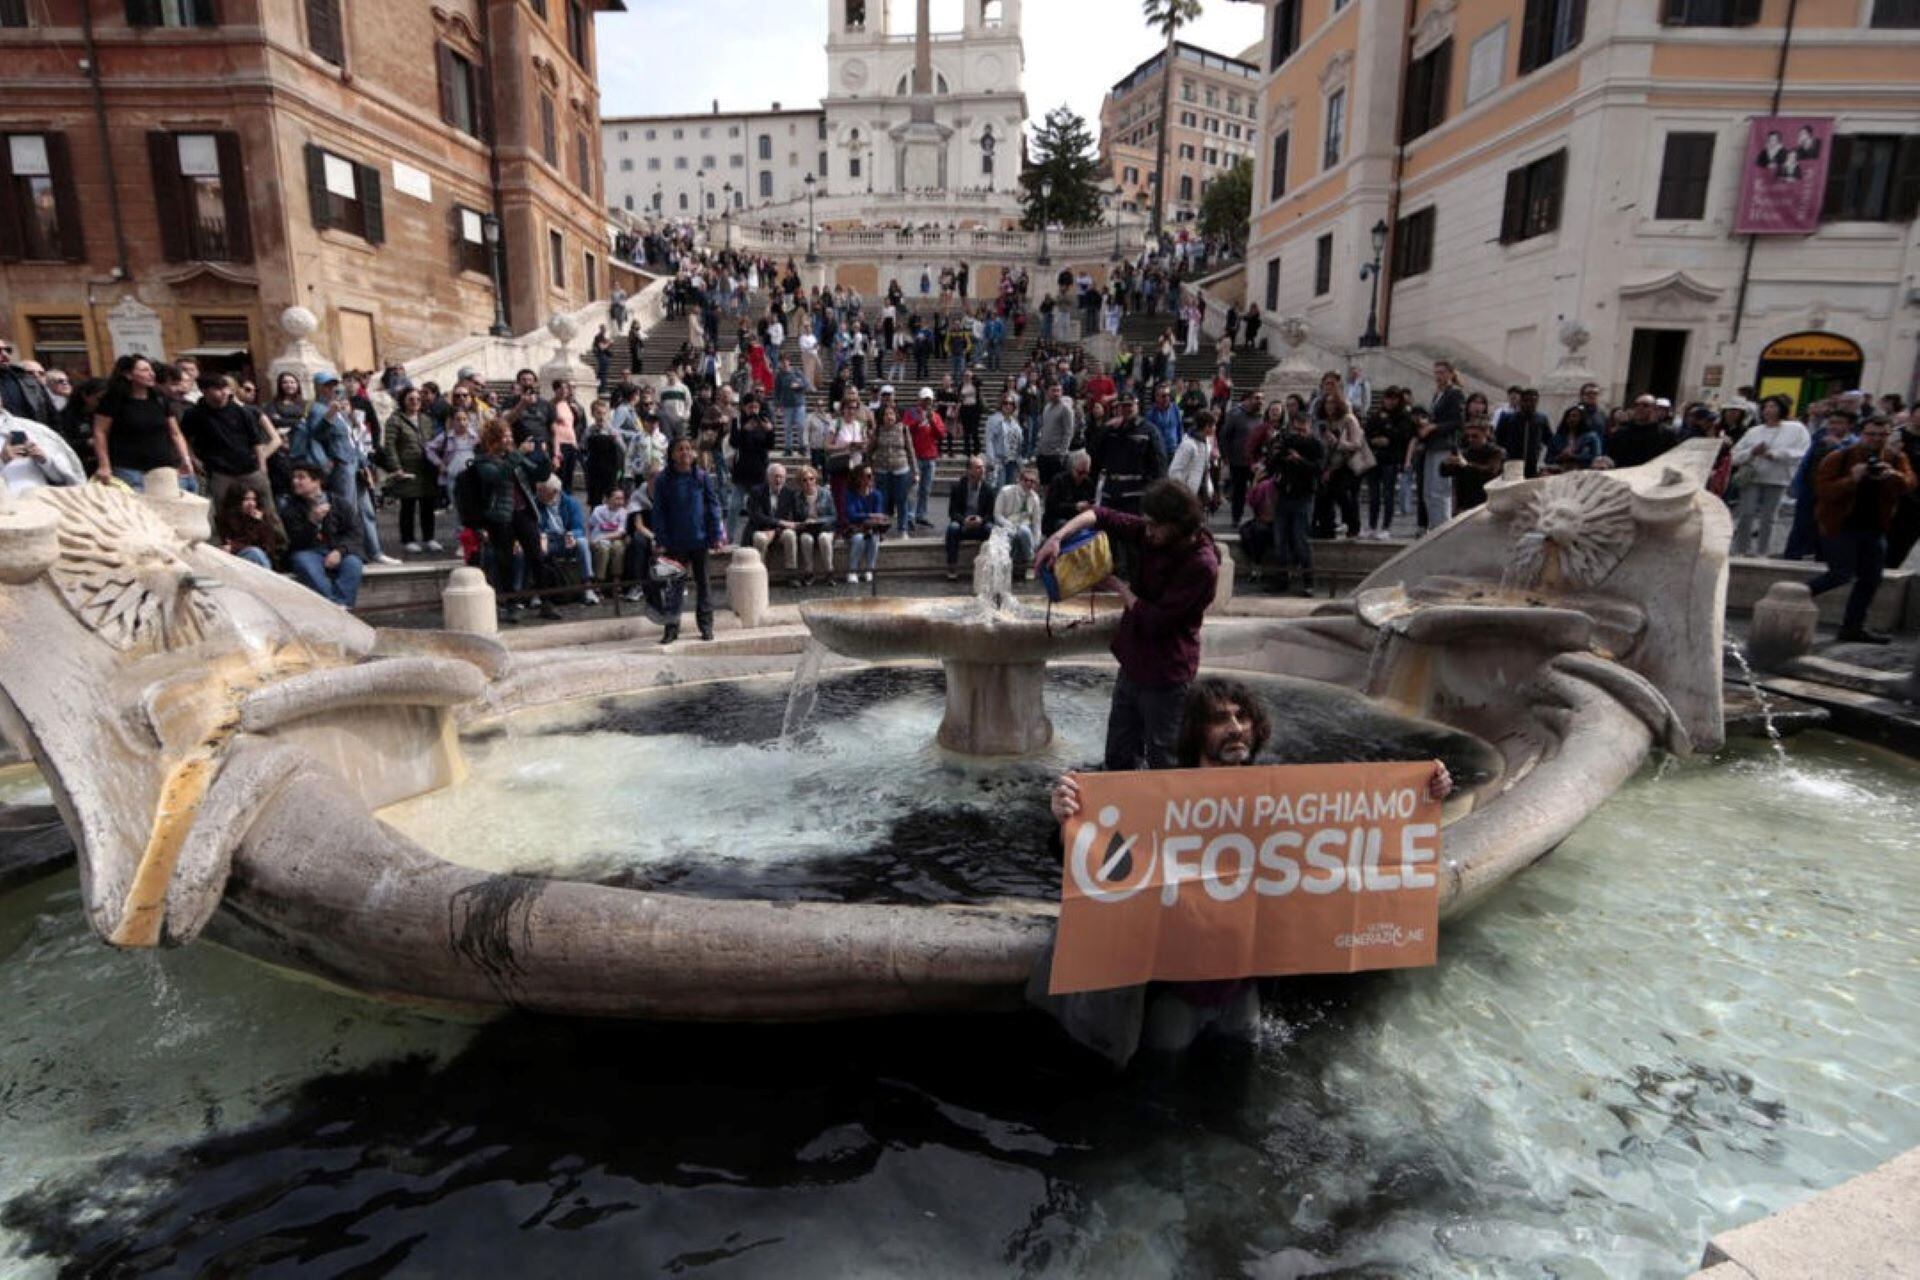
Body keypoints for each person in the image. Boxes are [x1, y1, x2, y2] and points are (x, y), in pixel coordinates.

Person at [1047, 677, 1454, 1056]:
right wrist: (1067, 817)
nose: (1237, 727)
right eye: (1221, 719)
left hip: (1241, 995)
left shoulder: (1279, 800)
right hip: (1176, 998)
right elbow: (1092, 860)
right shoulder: (1161, 799)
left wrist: (1427, 793)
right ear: (1195, 732)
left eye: (1242, 717)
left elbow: (1362, 835)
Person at [1035, 480, 1218, 771]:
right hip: (1133, 662)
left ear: (1177, 524)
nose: (1148, 532)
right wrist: (1057, 538)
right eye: (1146, 524)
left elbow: (1157, 620)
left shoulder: (1201, 565)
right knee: (1119, 754)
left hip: (1167, 673)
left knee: (1164, 758)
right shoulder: (1153, 533)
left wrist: (1117, 586)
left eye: (1155, 526)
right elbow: (1101, 515)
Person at [1807, 415, 1915, 644]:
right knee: (1841, 573)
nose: (1876, 439)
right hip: (1840, 526)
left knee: (1871, 579)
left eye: (1882, 435)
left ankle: (1853, 627)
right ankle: (1791, 595)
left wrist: (1893, 476)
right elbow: (1823, 491)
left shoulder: (1895, 458)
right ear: (1861, 434)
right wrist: (1851, 479)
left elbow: (1909, 484)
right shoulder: (1840, 457)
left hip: (1875, 528)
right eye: (1870, 434)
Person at [472, 419, 561, 623]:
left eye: (510, 436)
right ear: (493, 439)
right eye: (505, 436)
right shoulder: (482, 460)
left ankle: (546, 602)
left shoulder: (514, 456)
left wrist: (543, 455)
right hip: (500, 517)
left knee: (537, 557)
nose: (509, 440)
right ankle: (512, 605)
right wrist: (518, 452)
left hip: (523, 513)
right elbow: (500, 475)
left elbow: (539, 474)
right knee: (506, 562)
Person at [180, 373, 278, 540]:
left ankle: (277, 546)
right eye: (217, 389)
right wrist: (192, 459)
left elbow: (256, 441)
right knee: (225, 512)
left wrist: (262, 466)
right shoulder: (194, 414)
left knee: (267, 510)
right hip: (220, 472)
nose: (223, 393)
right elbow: (184, 438)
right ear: (205, 391)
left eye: (224, 388)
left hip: (249, 468)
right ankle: (230, 544)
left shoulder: (241, 412)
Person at [650, 434, 726, 642]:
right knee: (674, 587)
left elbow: (713, 507)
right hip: (675, 542)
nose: (684, 452)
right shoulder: (663, 480)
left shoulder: (701, 477)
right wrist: (661, 539)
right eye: (680, 449)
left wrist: (716, 535)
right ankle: (671, 629)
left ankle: (706, 626)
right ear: (672, 454)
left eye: (688, 449)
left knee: (704, 585)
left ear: (693, 453)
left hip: (700, 540)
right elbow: (658, 512)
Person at [92, 355, 196, 491]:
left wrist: (185, 458)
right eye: (144, 370)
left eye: (151, 370)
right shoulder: (113, 399)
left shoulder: (159, 398)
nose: (151, 374)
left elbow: (175, 433)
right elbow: (100, 432)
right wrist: (104, 464)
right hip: (128, 468)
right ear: (128, 374)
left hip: (162, 467)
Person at [1729, 395, 1810, 558]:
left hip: (1778, 477)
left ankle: (1762, 550)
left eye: (1773, 406)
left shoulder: (1796, 429)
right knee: (1747, 512)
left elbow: (1802, 451)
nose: (1769, 410)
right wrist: (1752, 452)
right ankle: (1741, 548)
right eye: (1766, 407)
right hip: (1752, 476)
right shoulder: (1754, 431)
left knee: (1769, 516)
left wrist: (1775, 455)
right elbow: (1735, 454)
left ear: (1781, 408)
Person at [280, 464, 363, 606]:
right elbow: (293, 542)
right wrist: (312, 522)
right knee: (303, 563)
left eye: (301, 477)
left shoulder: (339, 503)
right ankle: (333, 606)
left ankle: (343, 605)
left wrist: (340, 551)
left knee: (353, 563)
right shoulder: (290, 508)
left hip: (336, 549)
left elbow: (355, 532)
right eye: (294, 478)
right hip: (309, 551)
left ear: (317, 481)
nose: (295, 481)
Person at [1784, 406, 1857, 560]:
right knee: (1800, 526)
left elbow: (1852, 464)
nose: (1833, 426)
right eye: (1831, 422)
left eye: (1839, 423)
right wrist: (1796, 484)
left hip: (1833, 492)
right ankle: (1792, 556)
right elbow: (1807, 461)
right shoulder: (1819, 438)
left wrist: (1837, 446)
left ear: (1849, 425)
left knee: (1825, 528)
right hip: (1810, 488)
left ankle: (1822, 558)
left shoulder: (1854, 443)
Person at [383, 387, 440, 553]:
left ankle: (429, 538)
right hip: (407, 469)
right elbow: (390, 446)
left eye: (417, 399)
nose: (415, 401)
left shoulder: (426, 419)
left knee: (428, 505)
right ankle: (408, 539)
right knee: (408, 505)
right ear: (403, 400)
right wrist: (396, 467)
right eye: (411, 399)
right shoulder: (395, 420)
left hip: (427, 468)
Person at [1418, 361, 1464, 529]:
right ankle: (1433, 526)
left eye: (1442, 372)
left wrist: (1433, 426)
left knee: (1440, 490)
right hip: (1432, 445)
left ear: (1451, 374)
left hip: (1445, 445)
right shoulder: (1438, 394)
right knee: (1428, 491)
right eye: (1436, 373)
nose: (1438, 376)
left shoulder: (1455, 393)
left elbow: (1458, 421)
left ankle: (1442, 527)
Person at [779, 465, 839, 586]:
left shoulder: (825, 494)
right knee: (805, 539)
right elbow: (796, 518)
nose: (809, 482)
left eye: (811, 479)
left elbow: (833, 516)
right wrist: (804, 522)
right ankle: (809, 572)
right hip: (807, 529)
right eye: (804, 480)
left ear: (815, 479)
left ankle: (829, 572)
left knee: (824, 538)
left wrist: (819, 520)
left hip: (825, 528)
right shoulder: (797, 497)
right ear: (800, 482)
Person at [944, 454, 998, 581]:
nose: (982, 470)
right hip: (963, 525)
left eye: (983, 467)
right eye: (978, 467)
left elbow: (991, 514)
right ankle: (952, 566)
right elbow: (952, 512)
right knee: (952, 528)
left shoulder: (989, 489)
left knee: (991, 529)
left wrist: (981, 520)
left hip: (981, 526)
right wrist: (964, 521)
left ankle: (989, 566)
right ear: (969, 470)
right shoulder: (958, 487)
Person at [0, 412, 82, 496]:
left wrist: (43, 460)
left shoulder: (31, 429)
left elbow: (61, 478)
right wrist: (2, 460)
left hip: (39, 501)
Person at [1440, 418, 1506, 513]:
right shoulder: (1466, 453)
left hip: (1487, 503)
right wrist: (1447, 463)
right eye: (1468, 436)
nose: (1470, 439)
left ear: (1485, 434)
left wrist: (1467, 466)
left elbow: (1491, 472)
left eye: (1475, 436)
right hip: (1465, 504)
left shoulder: (1496, 452)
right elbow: (1445, 472)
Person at [841, 463, 890, 585]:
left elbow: (879, 515)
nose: (871, 478)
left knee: (873, 537)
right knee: (859, 538)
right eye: (868, 475)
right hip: (854, 529)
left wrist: (869, 518)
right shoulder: (850, 494)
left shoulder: (876, 494)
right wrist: (870, 516)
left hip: (871, 528)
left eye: (872, 475)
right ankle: (852, 571)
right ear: (858, 478)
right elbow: (851, 515)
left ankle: (869, 569)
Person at [993, 464, 1045, 580]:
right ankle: (1007, 569)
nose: (1029, 484)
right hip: (1006, 524)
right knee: (1011, 536)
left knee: (1024, 531)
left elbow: (1036, 522)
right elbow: (997, 515)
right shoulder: (1005, 492)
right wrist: (1010, 526)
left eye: (1032, 481)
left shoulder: (1035, 498)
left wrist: (1036, 542)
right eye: (1026, 480)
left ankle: (1030, 561)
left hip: (1024, 528)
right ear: (1020, 480)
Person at [215, 484, 281, 570]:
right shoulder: (226, 519)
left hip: (260, 559)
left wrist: (259, 523)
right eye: (246, 499)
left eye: (253, 499)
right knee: (254, 552)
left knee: (256, 553)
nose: (251, 503)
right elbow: (227, 545)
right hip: (234, 559)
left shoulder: (260, 519)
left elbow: (268, 547)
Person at [1044, 449, 1097, 538]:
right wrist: (1074, 507)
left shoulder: (1088, 483)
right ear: (1073, 469)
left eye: (1086, 473)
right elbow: (1051, 507)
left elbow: (1092, 501)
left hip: (1079, 519)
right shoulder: (1059, 481)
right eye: (1080, 473)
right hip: (1058, 519)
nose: (1083, 476)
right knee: (1065, 526)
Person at [1168, 410, 1216, 504]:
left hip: (1199, 494)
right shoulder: (1188, 445)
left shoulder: (1206, 442)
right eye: (1213, 425)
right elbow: (1174, 471)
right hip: (1187, 496)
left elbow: (1204, 470)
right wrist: (1184, 492)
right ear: (1207, 426)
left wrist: (1209, 490)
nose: (1215, 428)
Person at [586, 487, 630, 588]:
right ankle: (598, 581)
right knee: (603, 549)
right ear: (608, 499)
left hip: (614, 539)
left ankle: (616, 579)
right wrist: (588, 539)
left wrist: (603, 537)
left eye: (622, 499)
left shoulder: (623, 513)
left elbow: (620, 533)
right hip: (597, 539)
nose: (620, 502)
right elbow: (589, 525)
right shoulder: (598, 510)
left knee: (618, 547)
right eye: (617, 498)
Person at [1543, 405, 1603, 474]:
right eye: (1569, 416)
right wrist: (1560, 457)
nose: (1571, 419)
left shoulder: (1591, 437)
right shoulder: (1557, 438)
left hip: (1583, 473)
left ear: (1582, 418)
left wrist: (1574, 457)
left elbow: (1596, 456)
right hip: (1561, 472)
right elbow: (1547, 459)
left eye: (1575, 416)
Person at [985, 392, 1023, 487]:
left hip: (1013, 461)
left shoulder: (1015, 423)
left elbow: (1018, 443)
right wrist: (991, 460)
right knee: (999, 490)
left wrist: (1020, 463)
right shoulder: (994, 420)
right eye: (1005, 403)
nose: (1008, 406)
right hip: (999, 461)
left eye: (1011, 404)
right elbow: (989, 441)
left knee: (1010, 490)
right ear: (1001, 405)